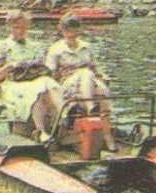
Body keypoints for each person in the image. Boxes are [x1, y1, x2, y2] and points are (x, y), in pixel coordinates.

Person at [0, 12, 62, 139]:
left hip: (34, 80)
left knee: (50, 84)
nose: (21, 31)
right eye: (17, 27)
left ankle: (65, 116)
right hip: (12, 83)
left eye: (24, 27)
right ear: (9, 27)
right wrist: (12, 65)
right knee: (37, 90)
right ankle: (41, 131)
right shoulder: (3, 46)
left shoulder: (33, 46)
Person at [46, 13, 114, 147]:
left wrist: (103, 76)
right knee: (86, 73)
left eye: (75, 30)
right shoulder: (56, 49)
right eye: (68, 30)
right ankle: (91, 108)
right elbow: (51, 74)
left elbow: (96, 67)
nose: (72, 33)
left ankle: (107, 136)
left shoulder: (86, 47)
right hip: (67, 83)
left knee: (101, 93)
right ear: (63, 30)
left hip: (88, 83)